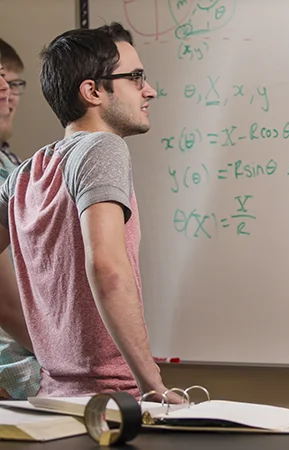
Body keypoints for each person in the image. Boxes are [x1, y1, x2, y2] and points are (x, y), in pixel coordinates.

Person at [0, 22, 177, 401]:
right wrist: (154, 386)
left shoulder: (25, 174)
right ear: (92, 91)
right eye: (136, 78)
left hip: (52, 397)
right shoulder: (101, 148)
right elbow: (108, 270)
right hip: (111, 401)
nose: (150, 90)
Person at [0, 38, 41, 400]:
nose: (8, 95)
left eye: (14, 84)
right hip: (13, 360)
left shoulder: (12, 166)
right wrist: (58, 352)